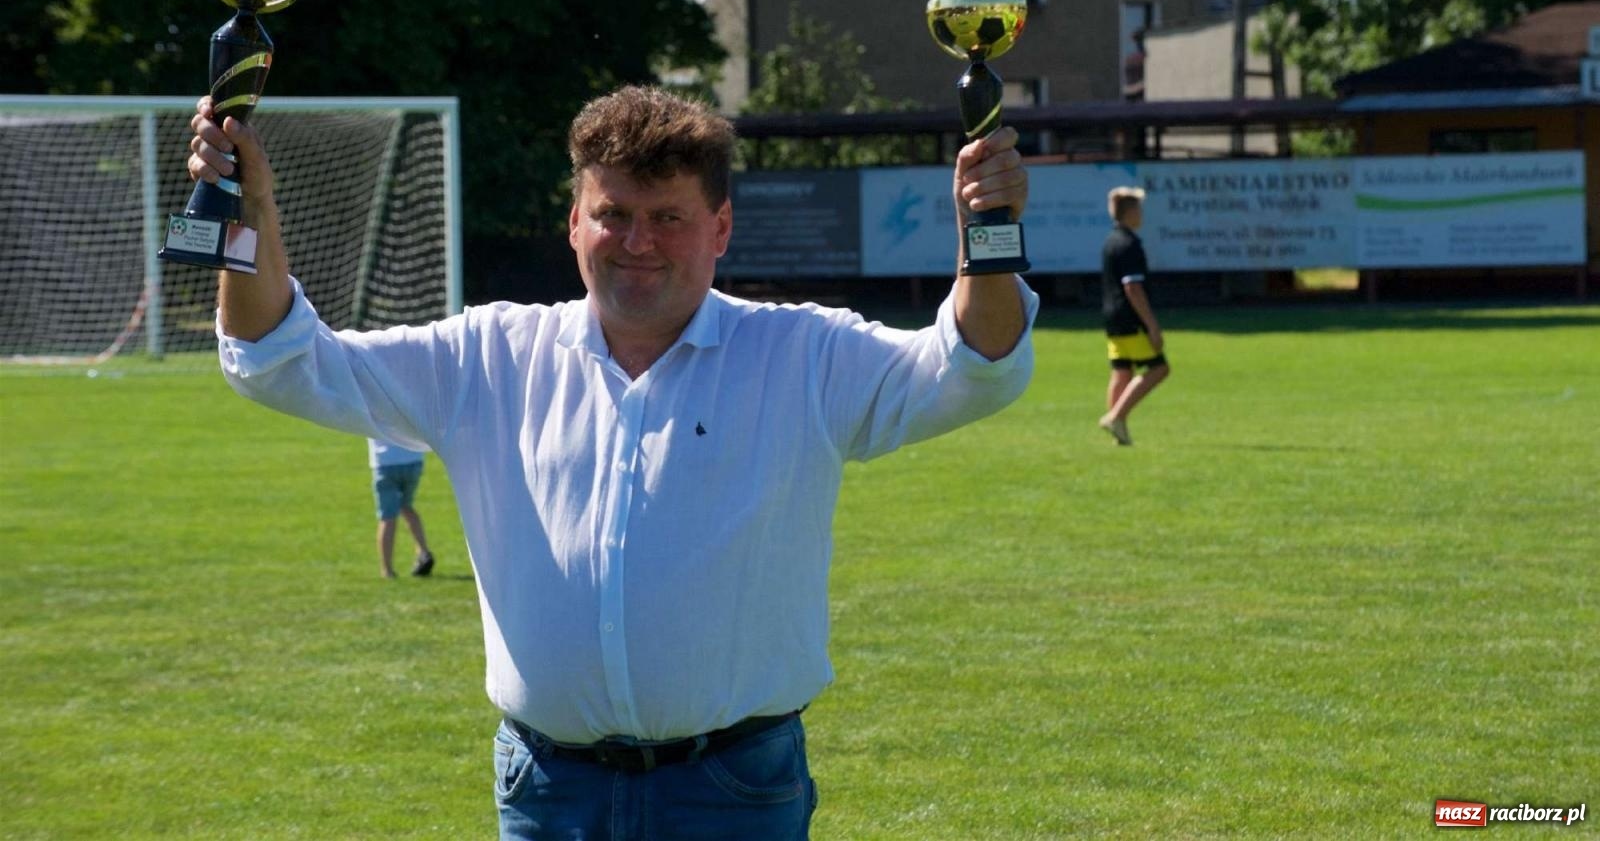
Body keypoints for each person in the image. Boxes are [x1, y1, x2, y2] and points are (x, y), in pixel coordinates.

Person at [185, 84, 1036, 840]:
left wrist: (986, 231)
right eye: (613, 214)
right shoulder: (489, 355)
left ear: (721, 228)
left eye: (667, 217)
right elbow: (278, 360)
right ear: (573, 222)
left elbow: (972, 369)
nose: (638, 242)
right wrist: (249, 211)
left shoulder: (800, 353)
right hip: (550, 791)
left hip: (735, 790)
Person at [1098, 186, 1170, 446]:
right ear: (1130, 212)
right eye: (1139, 209)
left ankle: (1119, 431)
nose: (1141, 214)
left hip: (1111, 318)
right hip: (1130, 318)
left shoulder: (1111, 241)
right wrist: (1152, 326)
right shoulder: (1130, 244)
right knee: (1159, 368)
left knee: (1121, 372)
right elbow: (1133, 287)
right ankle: (1116, 417)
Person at [368, 437, 434, 579]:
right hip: (413, 459)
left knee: (387, 517)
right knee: (406, 506)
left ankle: (387, 569)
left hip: (386, 462)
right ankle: (423, 551)